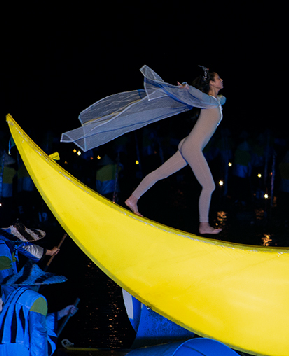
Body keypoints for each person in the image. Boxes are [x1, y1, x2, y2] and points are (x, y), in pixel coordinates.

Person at [62, 65, 226, 235]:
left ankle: (133, 199)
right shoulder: (208, 101)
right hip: (192, 148)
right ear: (212, 83)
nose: (221, 80)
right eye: (218, 78)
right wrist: (187, 88)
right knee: (209, 186)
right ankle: (203, 226)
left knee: (160, 173)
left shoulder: (214, 102)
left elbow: (222, 99)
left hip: (188, 146)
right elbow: (198, 94)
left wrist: (214, 93)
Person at [0, 223, 59, 356]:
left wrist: (49, 252)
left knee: (3, 320)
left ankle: (1, 350)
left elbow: (27, 248)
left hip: (1, 288)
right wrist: (19, 297)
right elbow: (7, 280)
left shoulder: (13, 243)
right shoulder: (1, 252)